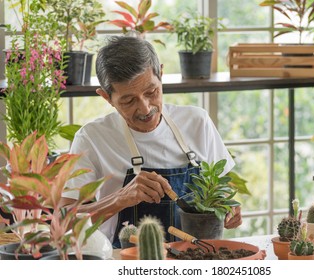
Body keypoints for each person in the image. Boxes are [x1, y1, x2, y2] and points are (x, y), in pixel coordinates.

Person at [61, 35, 242, 247]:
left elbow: (223, 190)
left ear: (161, 74)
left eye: (151, 92)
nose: (146, 108)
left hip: (195, 258)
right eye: (129, 100)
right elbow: (64, 223)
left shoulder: (197, 122)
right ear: (106, 98)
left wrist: (229, 208)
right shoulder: (91, 138)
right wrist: (120, 198)